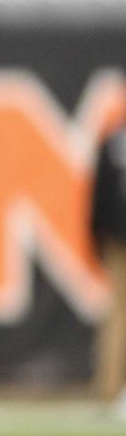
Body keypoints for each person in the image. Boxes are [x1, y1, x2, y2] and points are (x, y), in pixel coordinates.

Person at [91, 117, 126, 417]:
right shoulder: (112, 138)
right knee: (117, 314)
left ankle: (110, 390)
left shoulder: (113, 138)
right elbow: (101, 192)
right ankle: (110, 389)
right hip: (119, 241)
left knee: (117, 315)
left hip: (117, 237)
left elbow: (100, 195)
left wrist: (97, 235)